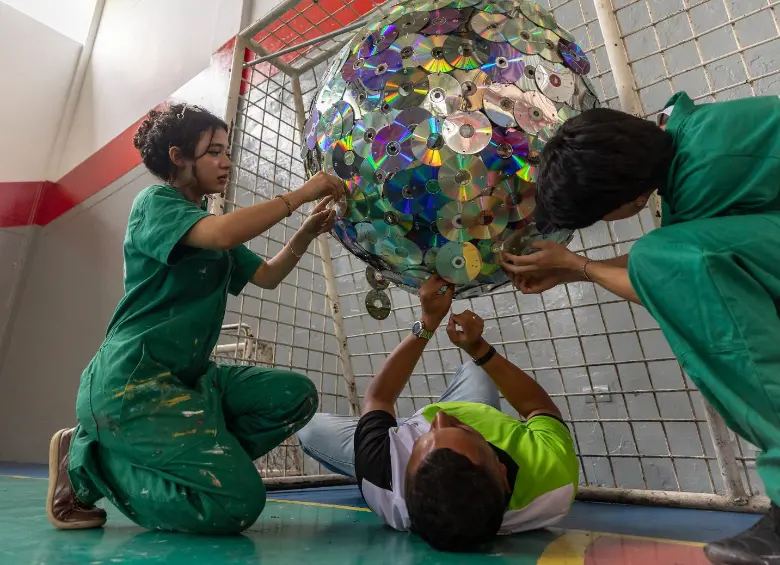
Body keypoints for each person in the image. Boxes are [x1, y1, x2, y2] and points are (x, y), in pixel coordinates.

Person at [500, 91, 780, 565]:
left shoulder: (704, 172)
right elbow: (696, 255)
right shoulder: (695, 144)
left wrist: (579, 265)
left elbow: (671, 273)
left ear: (630, 198)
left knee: (660, 258)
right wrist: (569, 268)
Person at [46, 103, 345, 534]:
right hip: (133, 383)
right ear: (178, 157)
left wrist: (305, 232)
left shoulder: (207, 223)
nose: (226, 161)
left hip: (190, 381)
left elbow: (267, 276)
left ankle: (198, 459)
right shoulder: (155, 203)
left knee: (295, 396)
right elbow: (222, 234)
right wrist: (300, 194)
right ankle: (89, 463)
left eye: (227, 150)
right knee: (237, 504)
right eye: (214, 152)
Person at [297, 275, 579, 552]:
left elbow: (379, 398)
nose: (440, 418)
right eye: (464, 431)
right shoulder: (552, 477)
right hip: (475, 410)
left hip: (398, 439)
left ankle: (412, 441)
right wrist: (479, 349)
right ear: (502, 472)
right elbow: (539, 408)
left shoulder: (383, 478)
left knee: (307, 428)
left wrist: (427, 322)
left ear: (405, 481)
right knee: (477, 368)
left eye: (431, 433)